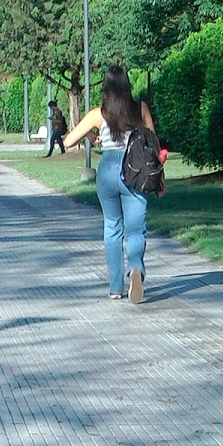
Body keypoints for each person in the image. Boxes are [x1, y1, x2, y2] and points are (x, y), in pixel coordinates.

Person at [64, 65, 156, 304]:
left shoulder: (99, 114)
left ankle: (116, 287)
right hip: (134, 169)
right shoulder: (140, 109)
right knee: (136, 229)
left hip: (107, 170)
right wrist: (160, 180)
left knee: (112, 227)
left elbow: (68, 140)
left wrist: (89, 135)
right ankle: (135, 268)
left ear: (105, 87)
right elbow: (152, 143)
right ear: (127, 85)